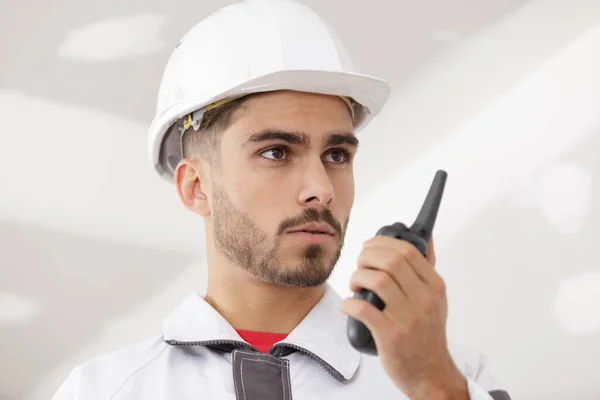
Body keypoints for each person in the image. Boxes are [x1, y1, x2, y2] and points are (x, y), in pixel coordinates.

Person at [52, 0, 512, 399]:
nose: (322, 188)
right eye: (276, 152)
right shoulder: (101, 391)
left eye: (336, 154)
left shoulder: (456, 379)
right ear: (195, 188)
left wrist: (435, 387)